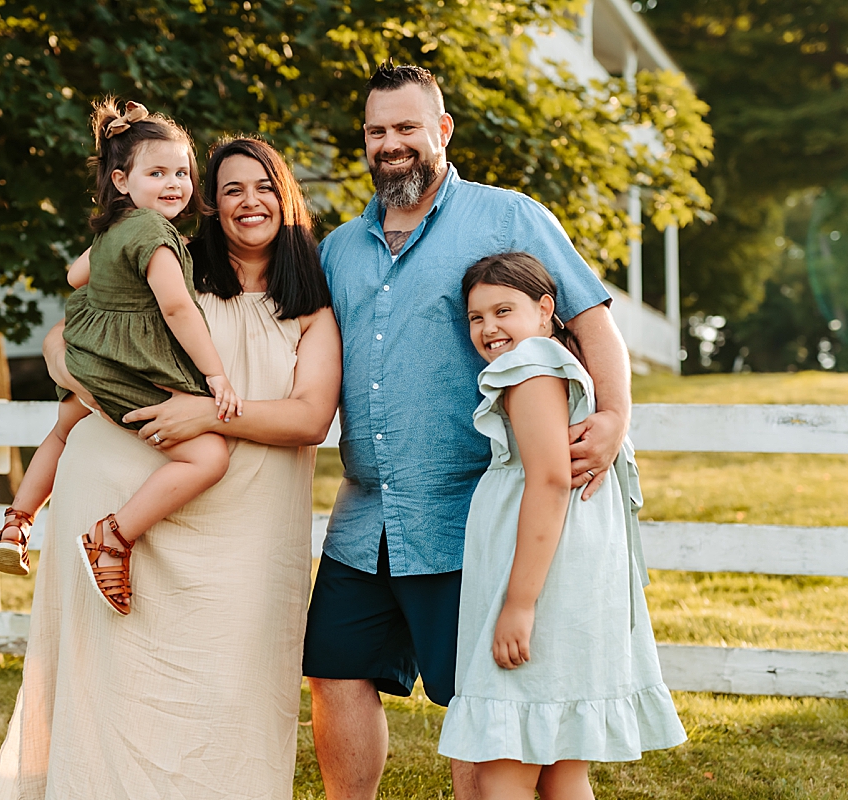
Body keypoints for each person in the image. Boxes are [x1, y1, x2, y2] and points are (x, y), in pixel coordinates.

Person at [304, 63, 633, 800]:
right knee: (334, 671)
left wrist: (613, 416)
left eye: (406, 128)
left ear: (442, 131)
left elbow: (590, 317)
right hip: (365, 516)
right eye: (376, 131)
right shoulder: (339, 250)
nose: (390, 144)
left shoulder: (508, 217)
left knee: (481, 703)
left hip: (472, 515)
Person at [0, 136, 342, 800]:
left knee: (230, 701)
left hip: (248, 537)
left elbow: (309, 419)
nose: (248, 201)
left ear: (286, 197)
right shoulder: (175, 271)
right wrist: (87, 379)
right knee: (116, 692)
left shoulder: (311, 307)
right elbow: (65, 338)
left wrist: (206, 415)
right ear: (211, 204)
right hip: (124, 505)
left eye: (263, 186)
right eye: (231, 189)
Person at [438, 252, 686, 799]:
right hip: (572, 575)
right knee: (561, 768)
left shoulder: (528, 366)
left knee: (505, 764)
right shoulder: (558, 363)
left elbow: (549, 481)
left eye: (504, 310)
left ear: (546, 308)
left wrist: (519, 604)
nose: (488, 328)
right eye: (476, 317)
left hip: (538, 582)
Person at [0, 99, 243, 620]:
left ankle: (17, 521)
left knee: (61, 432)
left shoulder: (114, 227)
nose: (175, 183)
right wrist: (214, 372)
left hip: (85, 349)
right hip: (122, 363)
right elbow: (175, 307)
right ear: (123, 180)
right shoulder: (154, 235)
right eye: (158, 173)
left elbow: (73, 277)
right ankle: (114, 536)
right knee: (209, 456)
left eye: (182, 172)